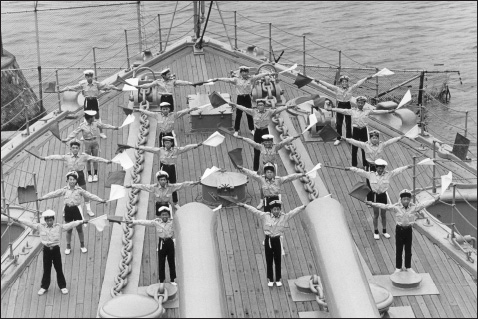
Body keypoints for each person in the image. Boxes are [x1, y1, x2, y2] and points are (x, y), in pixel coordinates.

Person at [8, 210, 88, 295]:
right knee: (47, 269)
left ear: (53, 220)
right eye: (48, 220)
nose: (49, 222)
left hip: (56, 250)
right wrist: (18, 220)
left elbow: (70, 225)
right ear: (45, 220)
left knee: (59, 268)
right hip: (46, 250)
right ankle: (44, 287)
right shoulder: (40, 227)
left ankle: (62, 286)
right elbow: (30, 224)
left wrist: (81, 221)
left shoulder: (58, 227)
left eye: (51, 220)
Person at [333, 160, 412, 239]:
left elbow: (397, 171)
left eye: (382, 168)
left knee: (383, 215)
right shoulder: (371, 175)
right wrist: (350, 168)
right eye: (379, 168)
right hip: (375, 196)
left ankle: (384, 231)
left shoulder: (388, 174)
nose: (380, 170)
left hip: (383, 196)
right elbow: (360, 171)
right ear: (376, 168)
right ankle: (376, 231)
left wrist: (407, 167)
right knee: (376, 215)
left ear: (384, 168)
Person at [366, 189, 440, 273]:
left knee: (408, 250)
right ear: (401, 199)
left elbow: (423, 204)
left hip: (408, 230)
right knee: (399, 250)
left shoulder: (414, 207)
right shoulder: (396, 207)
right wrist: (372, 203)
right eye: (404, 199)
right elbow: (384, 206)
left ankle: (408, 267)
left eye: (408, 199)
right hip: (399, 230)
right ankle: (398, 267)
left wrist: (434, 200)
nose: (406, 201)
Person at [237, 200, 306, 286]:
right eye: (274, 209)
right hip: (268, 240)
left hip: (277, 240)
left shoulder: (284, 217)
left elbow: (294, 212)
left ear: (280, 209)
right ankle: (270, 279)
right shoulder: (265, 216)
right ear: (271, 210)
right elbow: (255, 211)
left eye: (278, 209)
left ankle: (278, 279)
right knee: (269, 260)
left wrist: (303, 207)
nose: (276, 211)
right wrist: (244, 205)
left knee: (278, 260)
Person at [38, 171, 107, 254]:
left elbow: (90, 195)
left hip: (76, 210)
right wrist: (43, 197)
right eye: (70, 179)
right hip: (68, 210)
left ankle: (82, 245)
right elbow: (54, 194)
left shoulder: (79, 190)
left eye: (74, 179)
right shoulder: (64, 190)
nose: (72, 181)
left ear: (76, 181)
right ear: (67, 180)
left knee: (79, 229)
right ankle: (68, 246)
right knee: (68, 229)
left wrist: (101, 200)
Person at [40, 139, 112, 216]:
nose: (75, 149)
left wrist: (106, 161)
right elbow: (56, 157)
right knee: (67, 192)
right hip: (71, 175)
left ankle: (88, 209)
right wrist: (45, 158)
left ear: (79, 149)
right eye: (73, 148)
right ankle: (66, 208)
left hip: (80, 175)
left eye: (76, 148)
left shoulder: (83, 156)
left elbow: (95, 158)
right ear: (70, 149)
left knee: (85, 193)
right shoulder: (67, 157)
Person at [131, 136, 203, 205]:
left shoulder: (176, 150)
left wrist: (196, 145)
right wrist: (139, 147)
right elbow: (150, 149)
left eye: (168, 143)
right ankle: (161, 200)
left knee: (174, 185)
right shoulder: (160, 150)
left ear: (171, 143)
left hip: (172, 168)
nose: (166, 144)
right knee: (161, 184)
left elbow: (185, 148)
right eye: (165, 143)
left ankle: (175, 202)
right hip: (164, 168)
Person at [229, 99, 295, 171]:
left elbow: (277, 110)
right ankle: (255, 170)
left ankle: (270, 168)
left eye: (262, 105)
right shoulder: (253, 112)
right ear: (257, 106)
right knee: (256, 152)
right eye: (259, 105)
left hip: (265, 132)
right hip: (257, 132)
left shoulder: (268, 112)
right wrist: (235, 105)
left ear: (264, 106)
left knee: (270, 149)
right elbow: (244, 109)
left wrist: (286, 107)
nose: (260, 106)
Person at [327, 96, 393, 167]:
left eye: (362, 103)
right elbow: (343, 110)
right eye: (359, 103)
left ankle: (365, 164)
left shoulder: (367, 111)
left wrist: (388, 111)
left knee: (365, 148)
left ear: (364, 103)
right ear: (356, 103)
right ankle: (354, 165)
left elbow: (376, 112)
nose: (360, 104)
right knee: (354, 148)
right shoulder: (353, 111)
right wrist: (331, 109)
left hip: (363, 130)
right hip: (356, 130)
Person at [59, 69, 121, 138]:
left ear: (92, 76)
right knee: (86, 118)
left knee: (97, 117)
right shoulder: (83, 84)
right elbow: (73, 87)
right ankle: (85, 134)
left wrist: (116, 88)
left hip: (94, 101)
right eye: (88, 76)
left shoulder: (96, 84)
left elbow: (107, 86)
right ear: (86, 77)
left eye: (91, 76)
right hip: (87, 101)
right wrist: (62, 90)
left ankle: (101, 132)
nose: (89, 77)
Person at [63, 110, 120, 182]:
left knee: (95, 158)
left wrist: (114, 127)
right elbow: (74, 133)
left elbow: (104, 125)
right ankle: (89, 175)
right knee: (88, 160)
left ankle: (95, 174)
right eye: (92, 117)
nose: (94, 118)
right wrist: (67, 139)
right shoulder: (82, 125)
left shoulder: (95, 123)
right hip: (87, 143)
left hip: (95, 142)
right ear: (89, 118)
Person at [215, 66, 274, 136]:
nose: (244, 73)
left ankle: (252, 129)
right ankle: (236, 130)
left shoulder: (251, 79)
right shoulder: (236, 80)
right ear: (240, 73)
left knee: (249, 114)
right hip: (240, 98)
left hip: (247, 98)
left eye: (246, 72)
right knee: (238, 115)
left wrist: (267, 73)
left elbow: (259, 76)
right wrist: (218, 79)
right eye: (243, 72)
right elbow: (227, 80)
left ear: (247, 72)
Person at [316, 75, 373, 145]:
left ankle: (349, 139)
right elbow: (328, 85)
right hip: (340, 105)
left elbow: (358, 84)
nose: (344, 83)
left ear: (347, 82)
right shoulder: (337, 89)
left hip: (347, 105)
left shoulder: (351, 89)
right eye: (343, 82)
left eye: (346, 82)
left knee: (348, 123)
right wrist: (319, 81)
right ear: (341, 83)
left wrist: (366, 78)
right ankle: (338, 138)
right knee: (339, 123)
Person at [126, 206, 177, 285]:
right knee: (161, 262)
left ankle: (172, 280)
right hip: (162, 243)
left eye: (166, 215)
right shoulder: (156, 222)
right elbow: (145, 222)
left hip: (169, 242)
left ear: (168, 216)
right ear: (160, 216)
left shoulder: (172, 222)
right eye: (163, 215)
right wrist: (133, 222)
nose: (164, 216)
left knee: (171, 262)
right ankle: (161, 280)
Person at [237, 163, 305, 211]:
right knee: (267, 215)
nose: (269, 173)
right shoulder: (261, 179)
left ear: (273, 173)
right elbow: (252, 174)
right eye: (268, 172)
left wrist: (301, 175)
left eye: (271, 172)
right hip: (266, 199)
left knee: (277, 214)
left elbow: (290, 177)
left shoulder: (278, 180)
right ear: (265, 173)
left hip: (276, 199)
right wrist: (243, 169)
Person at [125, 170, 200, 214]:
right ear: (158, 181)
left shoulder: (171, 187)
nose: (163, 181)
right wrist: (132, 185)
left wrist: (194, 182)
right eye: (161, 180)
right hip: (158, 205)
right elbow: (143, 186)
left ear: (166, 180)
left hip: (167, 205)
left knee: (169, 218)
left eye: (164, 180)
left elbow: (183, 184)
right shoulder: (154, 188)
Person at [235, 133, 299, 173]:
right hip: (264, 166)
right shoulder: (260, 147)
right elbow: (252, 143)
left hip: (272, 166)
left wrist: (293, 138)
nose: (268, 143)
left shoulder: (276, 147)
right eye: (266, 142)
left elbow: (284, 142)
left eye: (269, 142)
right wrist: (243, 138)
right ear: (263, 142)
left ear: (272, 142)